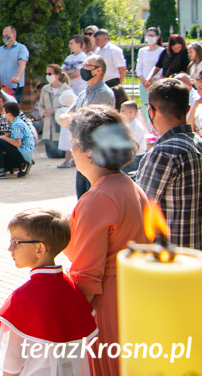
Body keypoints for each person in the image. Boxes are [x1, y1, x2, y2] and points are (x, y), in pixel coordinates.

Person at [64, 105, 147, 376]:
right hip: (133, 295)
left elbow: (86, 277)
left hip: (107, 303)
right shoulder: (128, 185)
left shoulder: (98, 198)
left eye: (73, 141)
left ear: (87, 150)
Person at [0, 209, 97, 376]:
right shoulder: (72, 289)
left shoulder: (23, 297)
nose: (9, 249)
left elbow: (11, 363)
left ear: (39, 248)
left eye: (15, 242)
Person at [135, 78, 202, 249]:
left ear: (151, 111)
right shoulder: (199, 143)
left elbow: (139, 208)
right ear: (187, 109)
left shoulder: (162, 153)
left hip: (169, 261)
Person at [58, 55, 115, 198]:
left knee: (93, 197)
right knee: (82, 197)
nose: (82, 69)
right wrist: (75, 117)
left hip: (96, 154)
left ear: (98, 70)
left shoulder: (103, 93)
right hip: (82, 152)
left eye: (86, 66)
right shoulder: (84, 93)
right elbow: (63, 118)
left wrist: (74, 117)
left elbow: (88, 121)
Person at [0, 101, 36, 179]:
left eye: (4, 112)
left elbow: (18, 143)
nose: (3, 114)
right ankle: (21, 165)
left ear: (9, 114)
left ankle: (0, 171)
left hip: (23, 153)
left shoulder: (16, 124)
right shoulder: (17, 122)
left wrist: (2, 138)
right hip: (24, 153)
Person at [33, 64, 71, 159]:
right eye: (46, 73)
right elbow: (40, 105)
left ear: (57, 75)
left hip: (60, 124)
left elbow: (70, 108)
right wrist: (43, 113)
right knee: (51, 155)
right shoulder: (45, 89)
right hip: (48, 125)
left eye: (50, 73)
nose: (47, 76)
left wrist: (55, 111)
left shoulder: (66, 89)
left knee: (61, 153)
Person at [0, 25, 29, 101]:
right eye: (3, 35)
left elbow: (22, 64)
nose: (5, 37)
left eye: (7, 35)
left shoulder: (21, 48)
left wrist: (17, 77)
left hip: (15, 86)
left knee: (12, 108)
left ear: (14, 35)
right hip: (2, 86)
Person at [136, 27, 165, 111]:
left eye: (152, 35)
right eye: (148, 35)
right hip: (144, 83)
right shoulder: (142, 51)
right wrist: (143, 80)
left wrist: (152, 79)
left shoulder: (162, 51)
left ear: (158, 37)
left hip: (156, 82)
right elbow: (139, 67)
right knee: (145, 107)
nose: (150, 37)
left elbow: (161, 68)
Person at [120, 101, 147, 173]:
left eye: (123, 111)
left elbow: (134, 147)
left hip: (136, 158)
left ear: (130, 111)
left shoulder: (136, 127)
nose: (120, 113)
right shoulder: (129, 124)